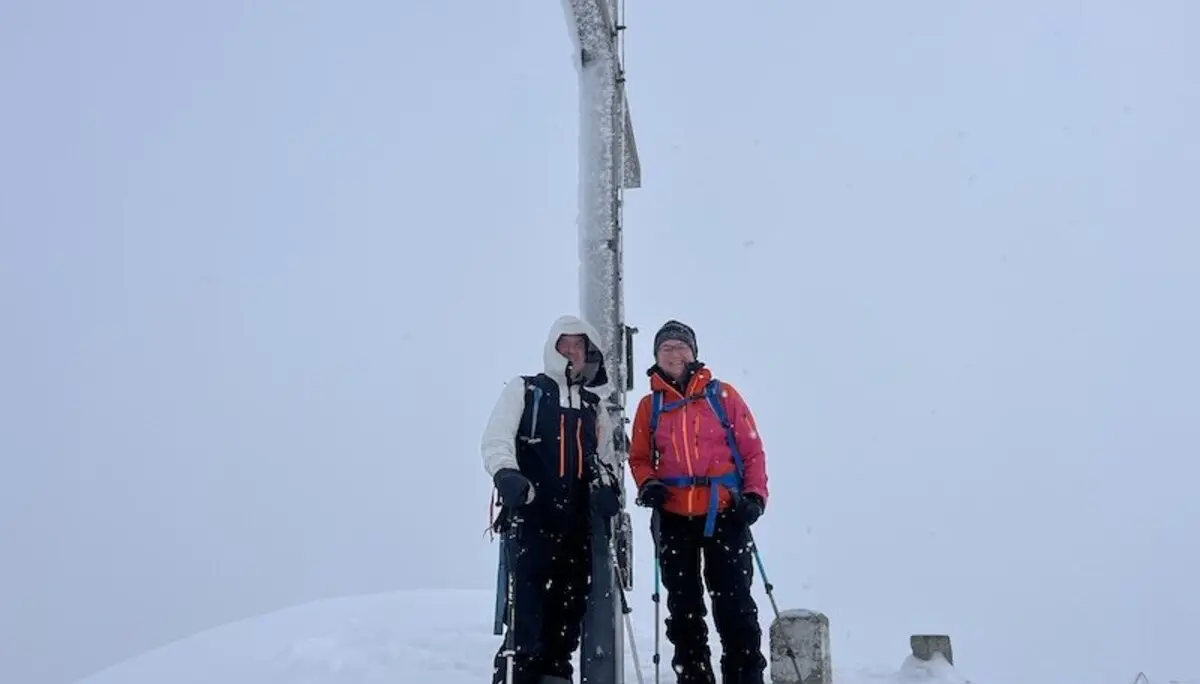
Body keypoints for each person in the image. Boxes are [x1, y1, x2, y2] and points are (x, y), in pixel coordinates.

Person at [481, 314, 624, 684]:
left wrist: (608, 490)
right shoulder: (526, 390)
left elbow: (605, 459)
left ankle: (554, 677)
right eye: (565, 344)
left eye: (580, 346)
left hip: (577, 527)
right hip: (531, 520)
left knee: (565, 622)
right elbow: (497, 439)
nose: (572, 352)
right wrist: (507, 474)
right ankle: (519, 676)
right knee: (526, 623)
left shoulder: (593, 407)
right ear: (552, 348)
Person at [628, 320, 770, 684]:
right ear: (656, 357)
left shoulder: (723, 396)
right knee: (684, 609)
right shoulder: (650, 406)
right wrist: (648, 485)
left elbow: (752, 451)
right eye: (666, 349)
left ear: (694, 353)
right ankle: (693, 677)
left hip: (726, 514)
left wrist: (754, 496)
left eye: (680, 347)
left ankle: (745, 677)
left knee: (735, 606)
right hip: (674, 517)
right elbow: (639, 458)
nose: (674, 354)